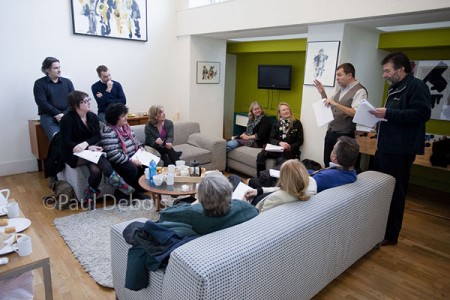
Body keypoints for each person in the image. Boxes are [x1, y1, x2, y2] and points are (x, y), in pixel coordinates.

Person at [370, 52, 431, 246]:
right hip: (386, 148)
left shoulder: (416, 86)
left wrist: (389, 113)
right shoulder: (396, 88)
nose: (384, 75)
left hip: (400, 151)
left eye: (387, 71)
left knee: (395, 194)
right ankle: (379, 229)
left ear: (401, 69)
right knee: (383, 191)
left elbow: (422, 113)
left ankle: (390, 235)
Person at [60, 91, 135, 209]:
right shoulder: (67, 119)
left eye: (89, 100)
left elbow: (97, 136)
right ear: (75, 105)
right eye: (85, 101)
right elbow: (66, 141)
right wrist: (85, 146)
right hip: (73, 153)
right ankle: (117, 182)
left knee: (96, 171)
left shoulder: (92, 116)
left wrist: (88, 145)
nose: (89, 103)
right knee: (99, 161)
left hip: (89, 150)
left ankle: (90, 196)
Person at [247, 136, 359, 200]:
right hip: (304, 177)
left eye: (333, 149)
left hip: (288, 187)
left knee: (253, 182)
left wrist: (261, 191)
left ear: (334, 156)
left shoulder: (323, 179)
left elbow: (292, 190)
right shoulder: (351, 173)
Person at [158, 172, 259, 235]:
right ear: (229, 194)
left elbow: (164, 215)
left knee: (178, 202)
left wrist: (197, 201)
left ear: (201, 198)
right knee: (235, 178)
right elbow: (254, 211)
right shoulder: (245, 207)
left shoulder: (192, 213)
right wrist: (240, 204)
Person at [314, 63, 367, 167]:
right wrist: (323, 93)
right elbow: (329, 105)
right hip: (331, 133)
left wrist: (336, 104)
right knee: (327, 163)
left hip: (345, 135)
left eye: (339, 75)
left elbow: (356, 113)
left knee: (341, 166)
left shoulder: (360, 91)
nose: (337, 79)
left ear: (349, 75)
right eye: (336, 76)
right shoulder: (341, 90)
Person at [100, 103, 149, 200]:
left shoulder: (126, 127)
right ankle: (121, 195)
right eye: (123, 116)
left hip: (131, 156)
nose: (126, 117)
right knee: (132, 169)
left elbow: (136, 140)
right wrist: (131, 160)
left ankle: (137, 191)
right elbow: (113, 154)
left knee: (146, 164)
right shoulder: (108, 131)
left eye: (125, 114)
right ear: (115, 118)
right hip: (118, 160)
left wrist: (140, 148)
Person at [244, 159, 311, 212]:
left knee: (235, 178)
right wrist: (259, 191)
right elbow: (283, 189)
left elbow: (258, 217)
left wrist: (244, 204)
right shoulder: (309, 187)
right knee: (252, 181)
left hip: (253, 208)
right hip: (262, 197)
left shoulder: (274, 198)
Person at [256, 102, 303, 176]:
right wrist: (280, 143)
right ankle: (260, 178)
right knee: (260, 155)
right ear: (280, 113)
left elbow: (300, 141)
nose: (286, 111)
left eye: (288, 109)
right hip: (276, 149)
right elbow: (271, 138)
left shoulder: (297, 123)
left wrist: (289, 146)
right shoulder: (276, 122)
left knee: (280, 160)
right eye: (283, 110)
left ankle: (275, 182)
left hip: (289, 151)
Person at [33, 57, 75, 141]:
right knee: (58, 140)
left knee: (76, 138)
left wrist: (64, 114)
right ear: (47, 70)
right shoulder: (39, 83)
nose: (59, 70)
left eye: (59, 67)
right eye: (56, 68)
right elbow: (41, 102)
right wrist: (57, 113)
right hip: (49, 117)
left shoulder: (67, 82)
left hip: (67, 115)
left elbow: (73, 100)